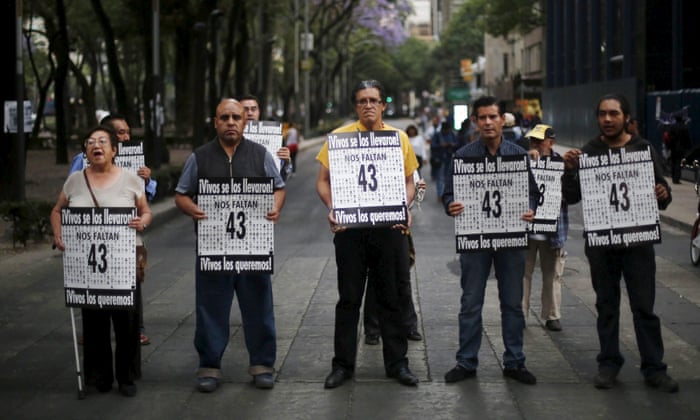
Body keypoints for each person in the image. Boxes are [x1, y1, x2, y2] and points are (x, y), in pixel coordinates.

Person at [562, 93, 678, 392]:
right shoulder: (589, 152)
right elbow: (571, 197)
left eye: (614, 113)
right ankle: (609, 364)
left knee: (644, 307)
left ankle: (654, 367)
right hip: (602, 246)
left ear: (626, 117)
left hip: (638, 243)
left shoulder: (643, 148)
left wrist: (663, 193)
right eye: (602, 114)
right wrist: (570, 171)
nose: (607, 119)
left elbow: (662, 191)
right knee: (606, 305)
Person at [175, 98, 286, 392]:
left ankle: (263, 364)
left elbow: (279, 188)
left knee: (259, 307)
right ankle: (209, 366)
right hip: (213, 249)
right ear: (215, 123)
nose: (231, 122)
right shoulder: (199, 157)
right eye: (224, 117)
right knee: (210, 308)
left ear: (244, 122)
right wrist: (192, 209)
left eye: (236, 117)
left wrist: (275, 208)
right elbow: (181, 194)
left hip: (253, 249)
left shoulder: (260, 154)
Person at [316, 79, 420, 388]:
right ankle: (342, 366)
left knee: (391, 298)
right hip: (351, 230)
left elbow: (410, 181)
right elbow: (322, 181)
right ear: (356, 106)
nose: (368, 105)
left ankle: (398, 364)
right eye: (362, 101)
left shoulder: (398, 138)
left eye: (374, 100)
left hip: (389, 229)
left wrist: (404, 205)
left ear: (383, 105)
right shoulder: (339, 138)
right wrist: (333, 207)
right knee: (348, 299)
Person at [441, 95, 538, 385]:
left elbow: (532, 192)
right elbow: (448, 192)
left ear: (502, 119)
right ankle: (466, 361)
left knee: (512, 302)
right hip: (475, 239)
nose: (487, 122)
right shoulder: (462, 157)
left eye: (492, 117)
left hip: (511, 238)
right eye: (482, 117)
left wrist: (530, 207)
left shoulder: (518, 155)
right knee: (471, 301)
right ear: (474, 121)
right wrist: (450, 204)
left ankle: (515, 361)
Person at [50, 125, 152, 397]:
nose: (96, 146)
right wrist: (58, 233)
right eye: (91, 142)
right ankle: (99, 376)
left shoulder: (131, 179)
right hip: (88, 262)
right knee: (94, 319)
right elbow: (57, 211)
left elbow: (146, 211)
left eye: (103, 141)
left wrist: (142, 221)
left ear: (114, 150)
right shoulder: (74, 181)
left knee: (126, 321)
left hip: (124, 259)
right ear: (85, 151)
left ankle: (127, 377)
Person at [70, 114, 154, 346]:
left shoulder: (135, 163)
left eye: (127, 132)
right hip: (92, 237)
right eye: (120, 133)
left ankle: (135, 328)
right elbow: (69, 196)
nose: (126, 137)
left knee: (130, 283)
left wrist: (147, 180)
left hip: (125, 236)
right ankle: (93, 330)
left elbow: (147, 201)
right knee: (93, 281)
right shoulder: (81, 162)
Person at [521, 124, 568, 332]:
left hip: (553, 231)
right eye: (532, 140)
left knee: (553, 275)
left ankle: (552, 315)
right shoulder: (523, 161)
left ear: (551, 142)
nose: (534, 144)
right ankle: (520, 314)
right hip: (526, 228)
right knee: (522, 274)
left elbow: (571, 194)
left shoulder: (561, 164)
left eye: (539, 141)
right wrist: (526, 160)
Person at [239, 94, 292, 180]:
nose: (250, 113)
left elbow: (283, 176)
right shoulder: (229, 137)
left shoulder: (275, 135)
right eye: (245, 109)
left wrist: (286, 162)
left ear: (259, 112)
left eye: (253, 109)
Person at [431, 122, 458, 200]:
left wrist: (452, 144)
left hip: (449, 158)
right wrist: (441, 145)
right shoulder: (437, 135)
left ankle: (446, 193)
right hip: (440, 158)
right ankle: (440, 194)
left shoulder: (451, 134)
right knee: (440, 177)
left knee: (448, 177)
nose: (447, 131)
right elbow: (432, 145)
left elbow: (456, 143)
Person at [665, 113, 692, 184]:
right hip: (681, 148)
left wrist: (669, 146)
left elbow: (668, 137)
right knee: (678, 162)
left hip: (673, 147)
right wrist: (689, 147)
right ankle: (676, 178)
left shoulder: (672, 127)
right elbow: (687, 138)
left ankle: (673, 177)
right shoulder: (684, 127)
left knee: (673, 162)